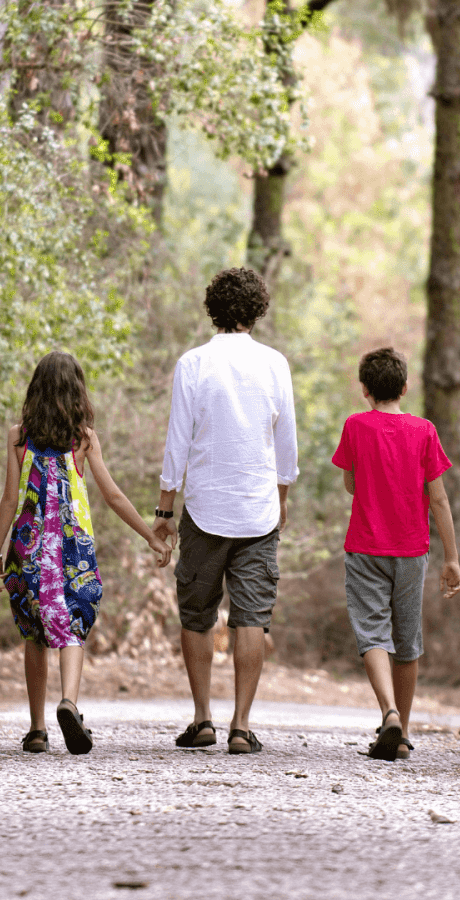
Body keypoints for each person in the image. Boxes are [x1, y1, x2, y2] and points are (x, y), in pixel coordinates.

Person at [0, 351, 171, 755]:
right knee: (71, 625)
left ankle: (37, 730)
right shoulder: (84, 440)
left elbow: (8, 499)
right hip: (73, 548)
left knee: (34, 631)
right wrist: (151, 536)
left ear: (35, 391)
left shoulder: (18, 437)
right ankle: (69, 702)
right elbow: (114, 496)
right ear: (77, 393)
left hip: (29, 546)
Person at [154, 267, 298, 755]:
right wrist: (280, 502)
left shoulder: (193, 363)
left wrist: (164, 510)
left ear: (212, 308)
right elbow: (287, 445)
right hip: (257, 511)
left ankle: (202, 719)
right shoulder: (276, 364)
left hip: (204, 508)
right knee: (251, 617)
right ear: (258, 310)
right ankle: (241, 725)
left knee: (197, 614)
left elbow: (178, 440)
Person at [331, 347, 460, 761]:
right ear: (405, 387)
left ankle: (387, 711)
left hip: (365, 547)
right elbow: (439, 500)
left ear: (365, 390)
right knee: (407, 641)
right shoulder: (425, 431)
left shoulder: (355, 426)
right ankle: (401, 733)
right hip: (412, 550)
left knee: (372, 634)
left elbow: (351, 485)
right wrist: (452, 559)